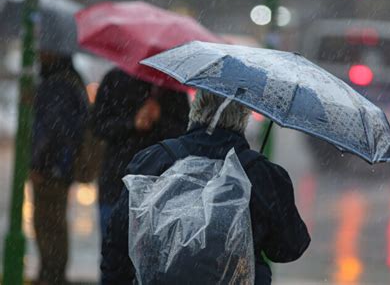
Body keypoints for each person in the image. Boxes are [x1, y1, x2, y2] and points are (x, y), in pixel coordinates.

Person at [101, 90, 310, 284]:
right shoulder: (260, 175)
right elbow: (290, 247)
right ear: (243, 117)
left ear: (195, 109)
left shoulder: (154, 160)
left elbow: (118, 239)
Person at [91, 68, 190, 235]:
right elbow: (98, 125)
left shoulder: (171, 88)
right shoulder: (115, 79)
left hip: (158, 187)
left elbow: (184, 134)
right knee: (112, 248)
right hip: (116, 183)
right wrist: (132, 123)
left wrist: (159, 119)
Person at [30, 52, 89, 285]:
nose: (39, 54)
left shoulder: (57, 84)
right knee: (54, 223)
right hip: (61, 165)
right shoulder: (70, 79)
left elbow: (51, 129)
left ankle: (51, 275)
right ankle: (52, 274)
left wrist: (39, 163)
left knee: (48, 224)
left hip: (52, 167)